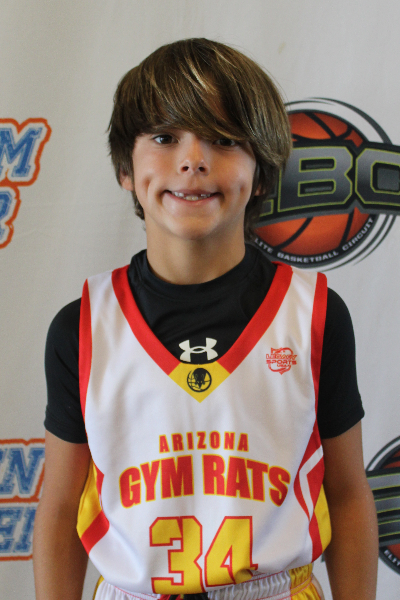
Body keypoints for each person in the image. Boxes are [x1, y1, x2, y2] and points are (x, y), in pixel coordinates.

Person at [33, 38, 378, 600]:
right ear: (125, 167)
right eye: (165, 137)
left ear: (261, 171)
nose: (193, 159)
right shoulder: (82, 328)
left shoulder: (313, 315)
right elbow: (60, 508)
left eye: (223, 139)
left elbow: (347, 494)